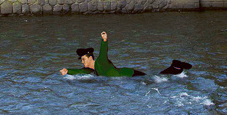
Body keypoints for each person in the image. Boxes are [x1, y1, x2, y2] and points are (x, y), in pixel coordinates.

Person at [60, 31, 192, 77]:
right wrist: (68, 71)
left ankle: (176, 67)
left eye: (83, 59)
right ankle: (175, 67)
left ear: (90, 57)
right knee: (156, 79)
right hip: (128, 77)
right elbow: (80, 72)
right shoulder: (92, 71)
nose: (82, 62)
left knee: (155, 80)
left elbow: (104, 52)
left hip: (130, 74)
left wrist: (104, 40)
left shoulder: (101, 61)